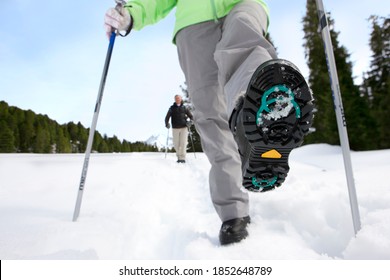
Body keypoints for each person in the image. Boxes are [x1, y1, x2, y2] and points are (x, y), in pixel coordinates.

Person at [104, 0, 314, 245]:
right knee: (211, 117)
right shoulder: (175, 106)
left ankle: (266, 105)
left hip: (242, 4)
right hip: (193, 23)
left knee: (244, 37)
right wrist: (131, 14)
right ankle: (234, 212)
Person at [165, 94, 194, 163]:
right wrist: (167, 123)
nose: (177, 99)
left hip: (184, 127)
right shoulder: (171, 108)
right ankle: (178, 156)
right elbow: (167, 117)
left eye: (178, 98)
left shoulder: (185, 108)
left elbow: (191, 117)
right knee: (176, 144)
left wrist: (190, 122)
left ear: (181, 99)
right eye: (176, 98)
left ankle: (182, 158)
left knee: (183, 143)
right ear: (175, 100)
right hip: (175, 128)